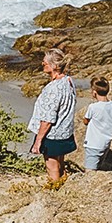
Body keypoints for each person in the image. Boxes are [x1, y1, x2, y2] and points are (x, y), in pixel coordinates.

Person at [28, 48, 77, 183]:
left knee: (51, 166)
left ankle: (55, 190)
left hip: (52, 134)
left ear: (54, 66)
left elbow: (48, 119)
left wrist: (38, 141)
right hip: (64, 131)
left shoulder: (53, 89)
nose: (42, 65)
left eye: (45, 63)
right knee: (60, 162)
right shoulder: (68, 81)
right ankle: (63, 183)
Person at [82, 77, 112, 171]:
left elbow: (85, 121)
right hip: (106, 143)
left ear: (94, 92)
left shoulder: (93, 107)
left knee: (90, 171)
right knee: (100, 166)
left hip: (93, 144)